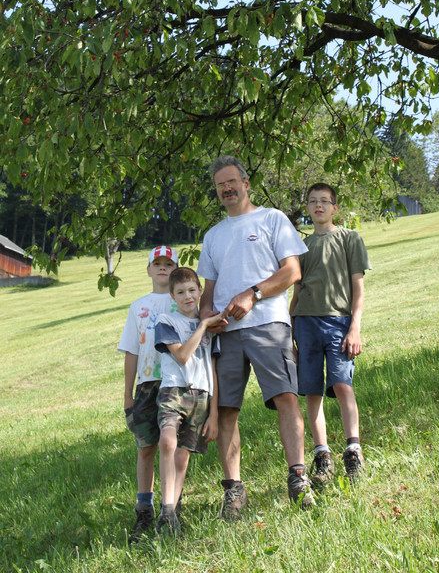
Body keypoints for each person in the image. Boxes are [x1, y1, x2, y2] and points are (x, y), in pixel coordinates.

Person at [197, 155, 315, 518]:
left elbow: (292, 271)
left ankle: (298, 478)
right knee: (227, 410)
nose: (227, 189)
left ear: (246, 183)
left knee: (286, 399)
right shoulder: (213, 236)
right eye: (220, 185)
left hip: (268, 324)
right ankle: (233, 491)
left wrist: (253, 293)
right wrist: (206, 318)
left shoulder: (272, 219)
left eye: (232, 182)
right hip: (227, 335)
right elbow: (207, 292)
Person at [289, 182, 371, 486]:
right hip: (305, 324)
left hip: (339, 323)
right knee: (312, 391)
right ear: (308, 208)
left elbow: (357, 287)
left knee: (341, 384)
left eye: (325, 201)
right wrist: (289, 331)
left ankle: (353, 450)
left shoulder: (349, 239)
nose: (319, 206)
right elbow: (296, 292)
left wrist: (355, 327)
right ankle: (322, 454)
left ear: (335, 208)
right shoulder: (301, 247)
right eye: (313, 201)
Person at [153, 267, 227, 536]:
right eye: (181, 292)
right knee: (167, 441)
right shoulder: (166, 321)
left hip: (201, 397)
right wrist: (204, 325)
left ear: (199, 291)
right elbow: (182, 356)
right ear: (172, 295)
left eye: (192, 290)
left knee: (183, 457)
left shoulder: (211, 328)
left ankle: (171, 513)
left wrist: (215, 414)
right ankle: (165, 506)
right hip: (174, 391)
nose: (188, 296)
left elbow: (214, 370)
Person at [117, 245, 179, 543]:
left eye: (169, 264)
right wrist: (128, 394)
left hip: (176, 382)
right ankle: (144, 509)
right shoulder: (138, 306)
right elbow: (131, 351)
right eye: (158, 264)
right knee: (146, 447)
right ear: (149, 270)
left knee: (175, 446)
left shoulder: (182, 301)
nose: (163, 268)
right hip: (146, 383)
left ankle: (173, 506)